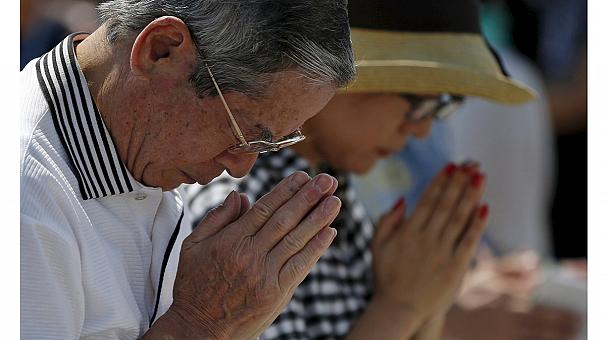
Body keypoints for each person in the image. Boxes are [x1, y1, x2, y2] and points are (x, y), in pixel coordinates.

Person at [183, 0, 538, 338]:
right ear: (333, 83)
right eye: (418, 102)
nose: (421, 129)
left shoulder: (332, 189)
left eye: (443, 106)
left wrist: (430, 302)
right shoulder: (242, 206)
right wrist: (402, 306)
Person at [20, 0, 356, 338]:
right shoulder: (25, 194)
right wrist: (200, 324)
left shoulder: (142, 144)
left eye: (271, 145)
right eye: (241, 133)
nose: (241, 168)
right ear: (160, 50)